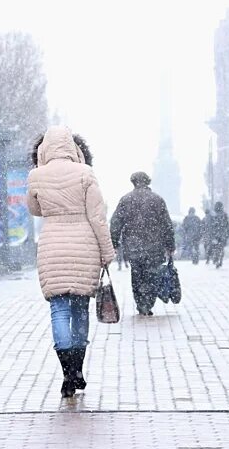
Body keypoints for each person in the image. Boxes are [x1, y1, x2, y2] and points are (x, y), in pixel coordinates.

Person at [26, 126, 115, 399]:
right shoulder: (86, 174)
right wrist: (107, 253)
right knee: (80, 309)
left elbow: (34, 209)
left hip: (52, 246)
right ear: (74, 148)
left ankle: (66, 372)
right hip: (84, 246)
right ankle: (77, 368)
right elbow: (98, 217)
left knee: (59, 311)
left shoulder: (36, 176)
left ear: (44, 149)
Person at [110, 172, 175, 317]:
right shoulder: (157, 200)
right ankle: (148, 302)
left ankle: (141, 303)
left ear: (133, 182)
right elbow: (167, 224)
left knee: (137, 275)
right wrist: (170, 245)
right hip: (154, 246)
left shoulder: (126, 200)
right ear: (148, 182)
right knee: (152, 275)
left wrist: (114, 242)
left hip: (133, 246)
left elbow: (116, 223)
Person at [208, 201, 229, 268]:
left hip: (215, 235)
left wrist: (211, 235)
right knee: (221, 248)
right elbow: (227, 226)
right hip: (222, 235)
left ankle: (216, 259)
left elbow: (210, 226)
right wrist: (227, 234)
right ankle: (220, 259)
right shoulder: (224, 214)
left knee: (215, 248)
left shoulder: (212, 215)